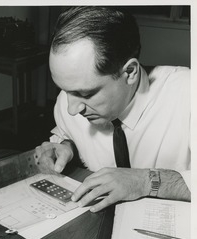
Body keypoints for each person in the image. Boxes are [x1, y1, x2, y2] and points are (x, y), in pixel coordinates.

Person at [34, 6, 190, 213]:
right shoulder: (68, 100)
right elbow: (65, 133)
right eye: (64, 90)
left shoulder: (188, 95)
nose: (71, 109)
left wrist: (144, 181)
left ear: (130, 72)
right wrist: (65, 147)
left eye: (86, 94)